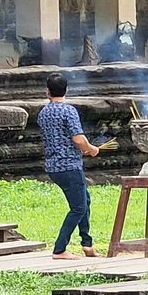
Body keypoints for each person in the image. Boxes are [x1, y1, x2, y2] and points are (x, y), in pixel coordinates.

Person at [37, 72, 101, 260]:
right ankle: (59, 249)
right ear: (67, 90)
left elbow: (59, 139)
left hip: (53, 166)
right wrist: (91, 149)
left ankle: (87, 243)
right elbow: (78, 139)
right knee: (78, 208)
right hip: (69, 166)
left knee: (84, 200)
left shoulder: (43, 113)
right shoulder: (68, 111)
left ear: (47, 92)